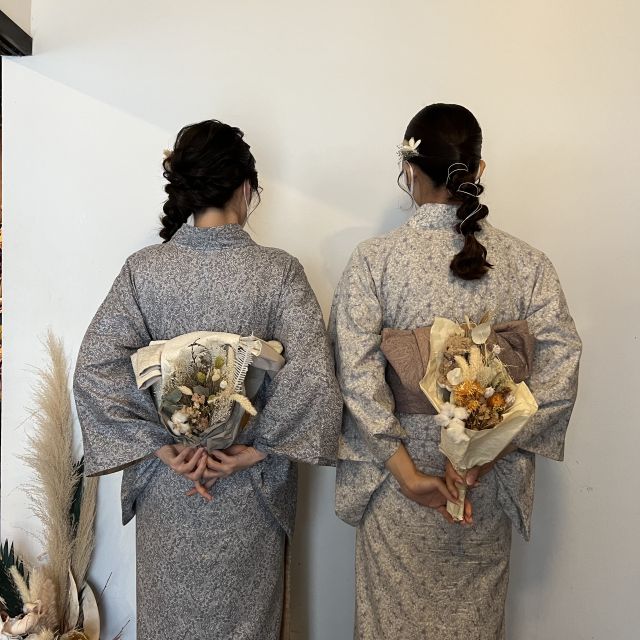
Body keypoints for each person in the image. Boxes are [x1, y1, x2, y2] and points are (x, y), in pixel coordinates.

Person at [73, 119, 342, 640]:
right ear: (246, 187)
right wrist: (255, 449)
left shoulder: (144, 270)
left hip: (169, 483)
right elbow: (313, 375)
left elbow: (96, 367)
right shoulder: (278, 271)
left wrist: (161, 446)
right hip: (247, 488)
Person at [330, 103, 581, 639]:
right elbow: (561, 366)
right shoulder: (527, 264)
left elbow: (355, 375)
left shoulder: (376, 260)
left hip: (397, 481)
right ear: (479, 169)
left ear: (410, 171)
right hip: (480, 487)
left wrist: (407, 473)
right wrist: (482, 454)